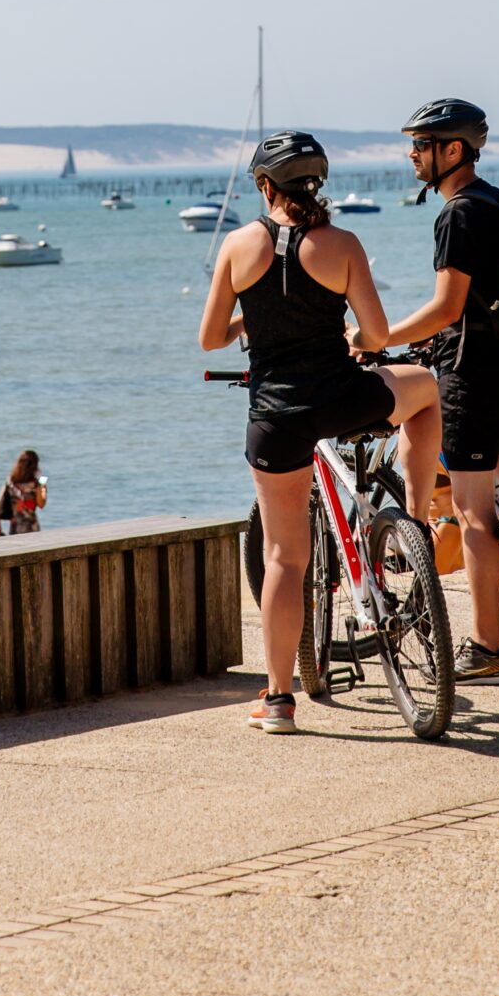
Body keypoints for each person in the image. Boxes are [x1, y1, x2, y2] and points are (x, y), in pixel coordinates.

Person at [200, 130, 441, 737]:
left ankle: (278, 699)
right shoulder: (343, 244)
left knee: (283, 557)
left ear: (264, 185)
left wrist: (249, 316)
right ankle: (414, 517)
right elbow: (378, 334)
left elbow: (209, 339)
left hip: (276, 416)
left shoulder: (237, 244)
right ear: (316, 185)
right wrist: (352, 341)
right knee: (426, 390)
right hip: (342, 400)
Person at [385, 99, 499, 686]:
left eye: (421, 144)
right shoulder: (498, 201)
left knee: (474, 514)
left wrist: (376, 336)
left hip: (472, 378)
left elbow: (446, 308)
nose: (412, 154)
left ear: (452, 150)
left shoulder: (458, 213)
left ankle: (486, 647)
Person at [0, 450, 46, 536]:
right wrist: (43, 489)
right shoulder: (35, 484)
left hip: (15, 525)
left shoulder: (10, 482)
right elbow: (41, 504)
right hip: (31, 525)